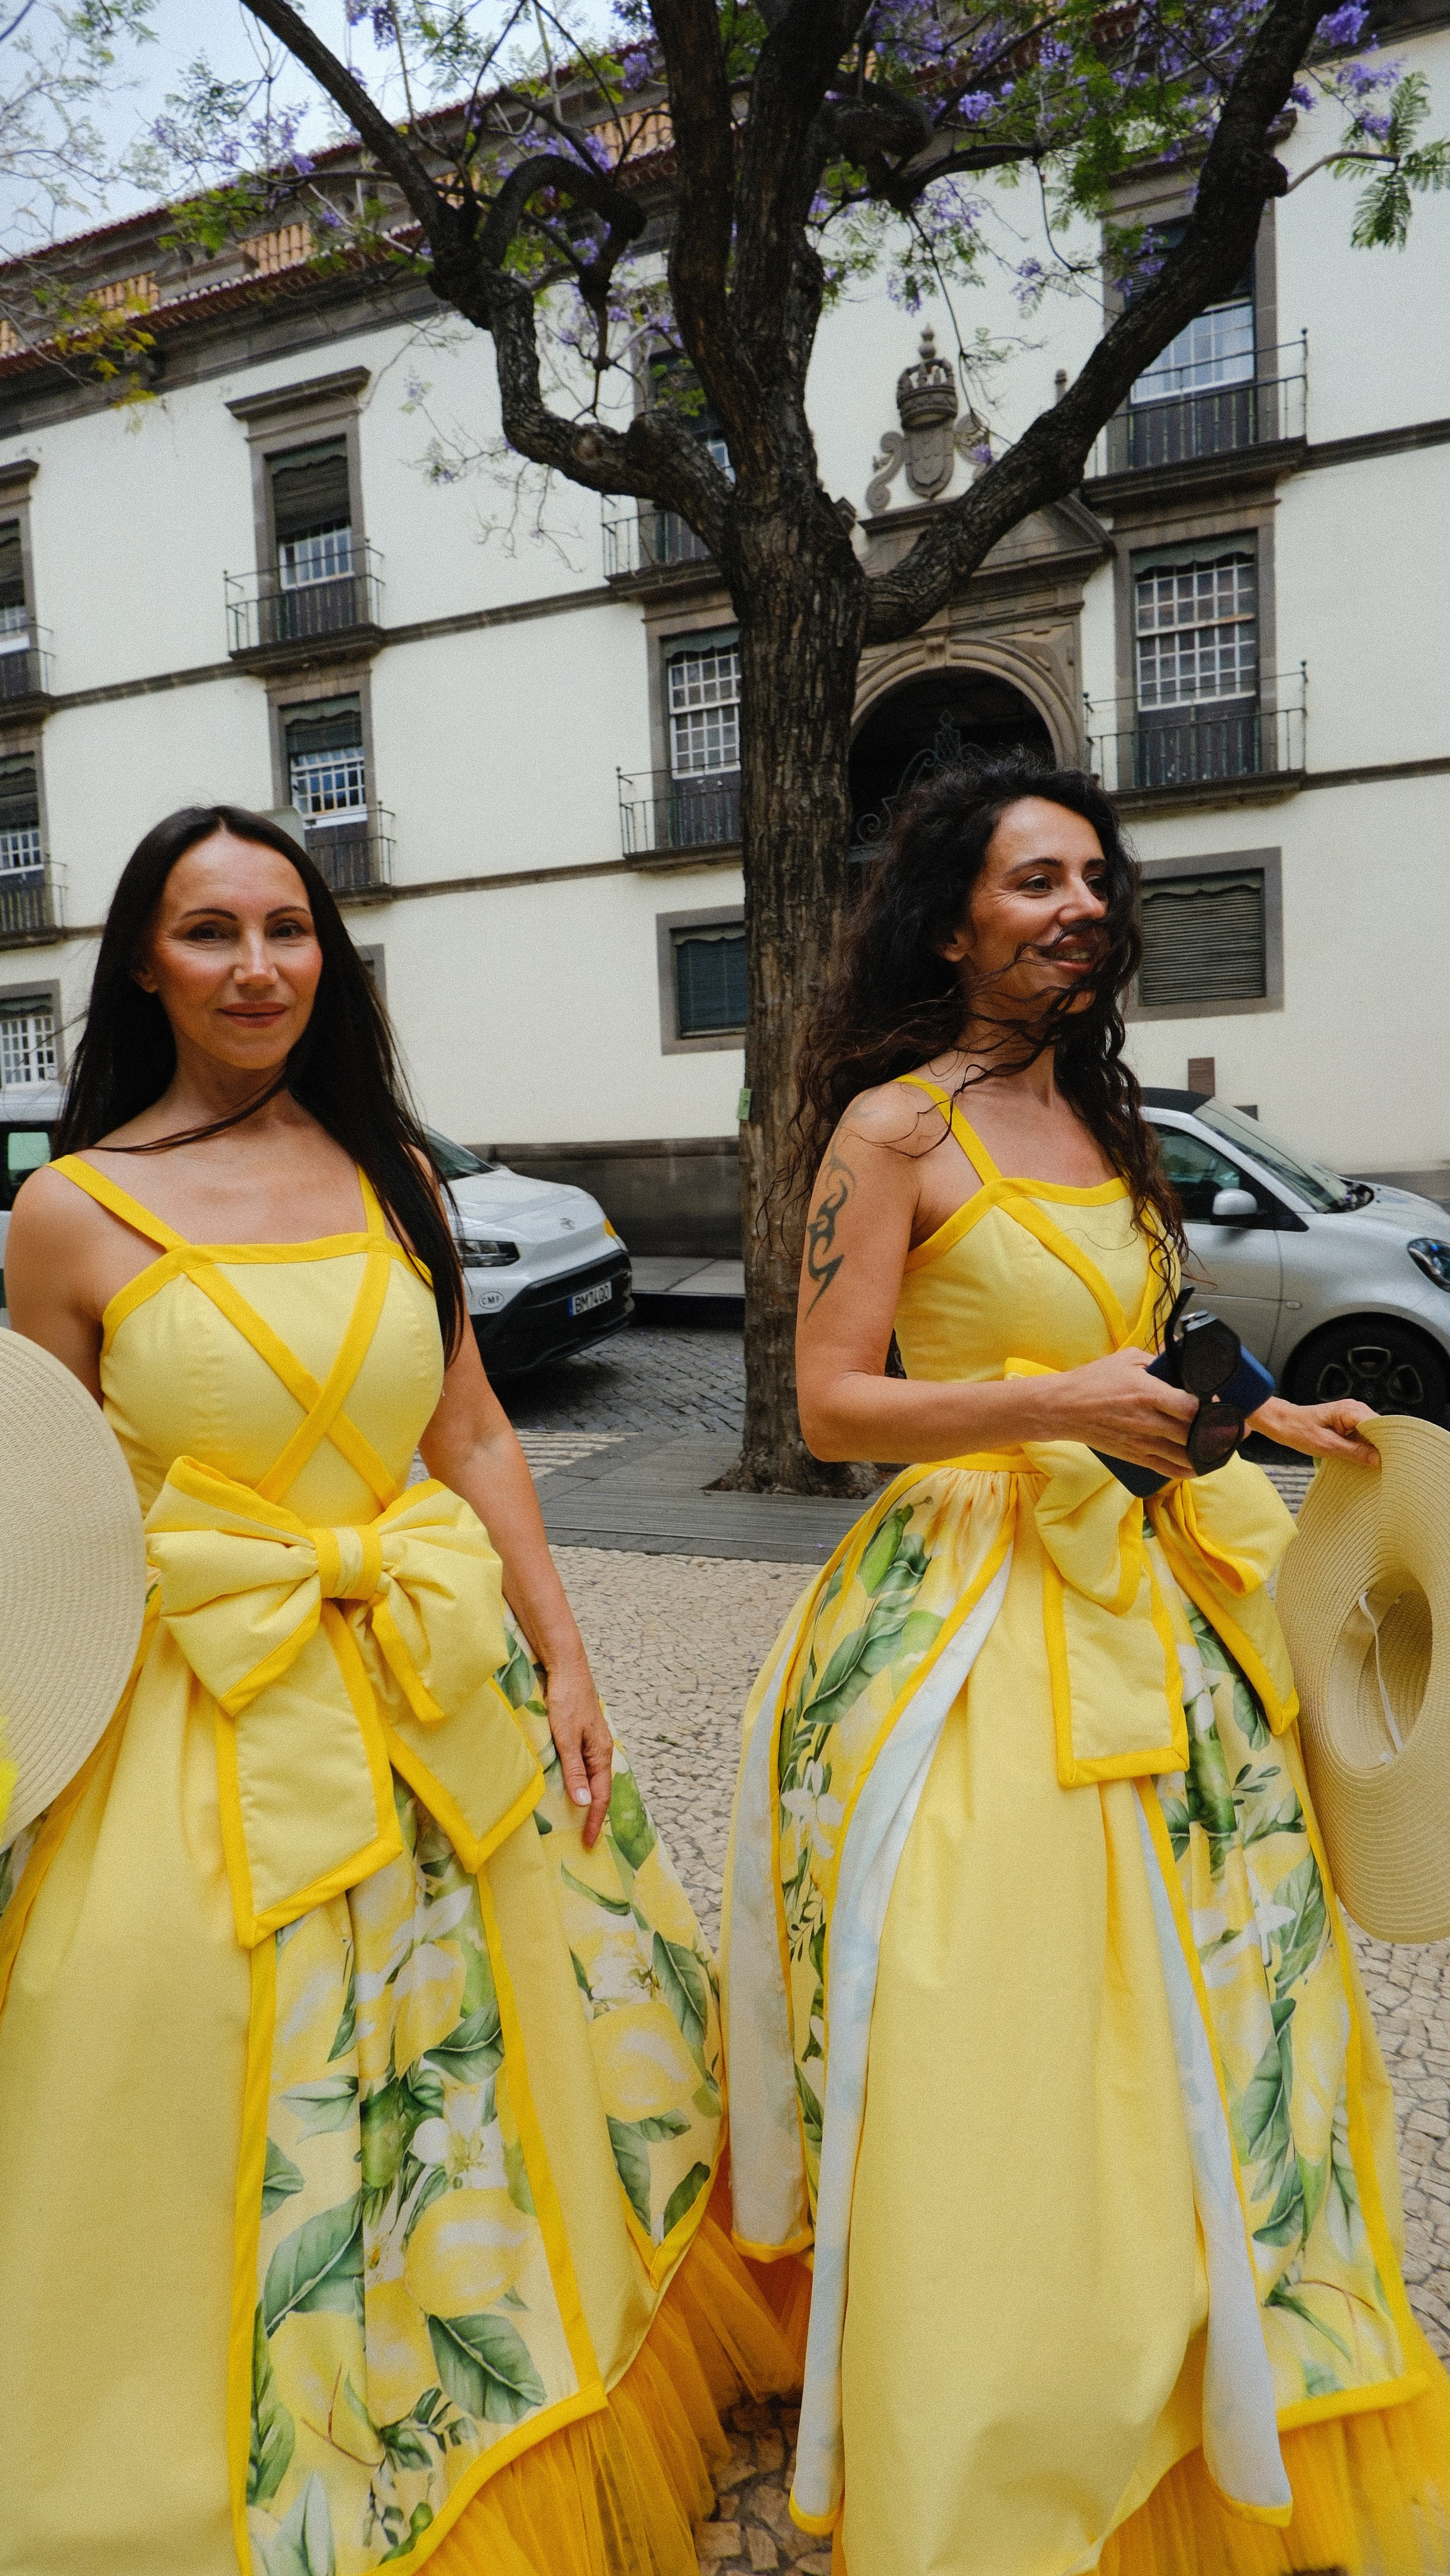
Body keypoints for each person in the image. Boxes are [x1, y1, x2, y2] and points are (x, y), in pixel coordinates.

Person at [0, 806, 795, 2576]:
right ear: (145, 960)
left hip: (436, 1693)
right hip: (201, 1705)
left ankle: (475, 2375)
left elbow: (471, 1430)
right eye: (212, 932)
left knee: (504, 2056)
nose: (260, 965)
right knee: (180, 2048)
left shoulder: (394, 1177)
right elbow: (29, 1500)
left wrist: (564, 1650)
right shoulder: (67, 1214)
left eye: (289, 928)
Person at [721, 756, 1450, 2576]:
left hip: (1158, 1598)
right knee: (995, 2006)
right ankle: (1007, 2394)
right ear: (948, 916)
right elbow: (829, 1400)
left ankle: (1212, 2345)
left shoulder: (1108, 1119)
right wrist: (1046, 1406)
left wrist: (1280, 1415)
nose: (1077, 910)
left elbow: (1161, 1346)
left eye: (1091, 882)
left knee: (1222, 1989)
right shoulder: (892, 1131)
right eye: (1034, 883)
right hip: (971, 1611)